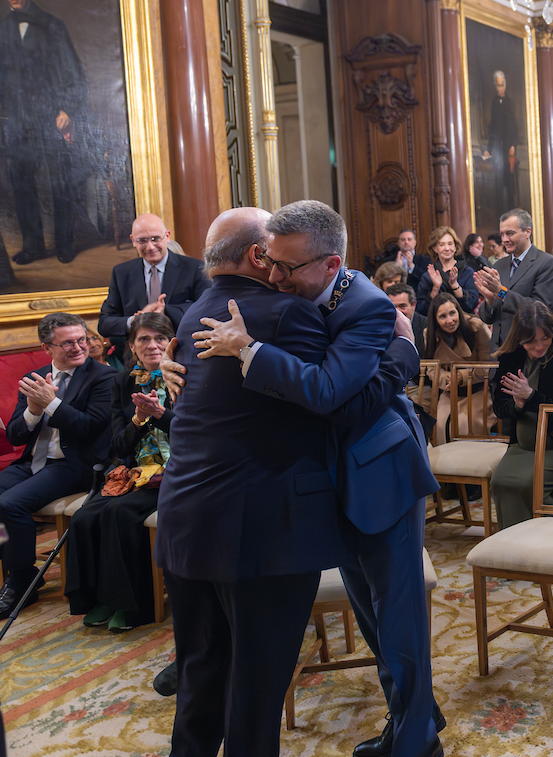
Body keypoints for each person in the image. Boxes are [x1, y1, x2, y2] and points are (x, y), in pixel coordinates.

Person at [184, 200, 442, 757]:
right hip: (330, 479)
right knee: (371, 616)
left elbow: (332, 396)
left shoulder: (368, 306)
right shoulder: (291, 293)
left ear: (330, 265)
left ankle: (418, 743)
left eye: (286, 268)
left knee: (398, 619)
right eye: (270, 262)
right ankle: (410, 720)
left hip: (380, 474)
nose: (273, 277)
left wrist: (248, 351)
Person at [153, 207, 364, 757]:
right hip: (262, 532)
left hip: (184, 522)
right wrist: (399, 345)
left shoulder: (193, 311)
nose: (278, 268)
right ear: (257, 255)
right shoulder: (285, 315)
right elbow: (336, 394)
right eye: (273, 253)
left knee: (200, 676)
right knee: (256, 690)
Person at [0, 311, 115, 617]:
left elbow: (89, 427)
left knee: (9, 505)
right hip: (31, 461)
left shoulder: (103, 377)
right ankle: (17, 567)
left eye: (82, 339)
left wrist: (52, 404)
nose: (78, 347)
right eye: (68, 343)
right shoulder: (36, 378)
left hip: (73, 465)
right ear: (47, 348)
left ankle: (19, 582)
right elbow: (15, 436)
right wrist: (32, 409)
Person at [65, 313, 175, 631]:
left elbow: (198, 434)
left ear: (172, 343)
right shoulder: (123, 381)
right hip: (135, 470)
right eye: (144, 339)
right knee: (84, 517)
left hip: (178, 471)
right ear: (132, 346)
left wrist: (160, 414)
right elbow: (119, 446)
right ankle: (99, 598)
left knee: (119, 512)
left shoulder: (185, 377)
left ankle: (134, 605)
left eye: (160, 338)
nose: (152, 345)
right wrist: (139, 419)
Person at [0, 0, 85, 265]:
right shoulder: (1, 29)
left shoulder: (52, 25)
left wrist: (68, 110)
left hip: (52, 119)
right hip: (18, 122)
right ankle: (33, 245)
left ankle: (64, 243)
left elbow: (74, 74)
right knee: (22, 184)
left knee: (60, 183)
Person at [488, 301, 553, 529]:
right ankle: (513, 545)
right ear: (519, 338)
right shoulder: (510, 358)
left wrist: (530, 397)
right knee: (500, 482)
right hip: (522, 446)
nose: (539, 346)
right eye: (531, 340)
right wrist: (517, 405)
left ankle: (543, 544)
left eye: (545, 338)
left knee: (528, 484)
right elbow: (500, 408)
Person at [98, 214, 211, 340]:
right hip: (137, 354)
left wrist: (165, 311)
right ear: (133, 240)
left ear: (167, 236)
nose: (150, 247)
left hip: (183, 349)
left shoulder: (195, 268)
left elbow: (206, 310)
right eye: (142, 241)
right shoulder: (122, 273)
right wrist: (135, 321)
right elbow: (104, 323)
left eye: (155, 239)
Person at [473, 209, 553, 349]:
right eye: (502, 234)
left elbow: (539, 309)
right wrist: (490, 300)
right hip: (499, 352)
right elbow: (487, 318)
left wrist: (500, 291)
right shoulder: (499, 265)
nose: (504, 240)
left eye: (510, 233)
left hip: (531, 350)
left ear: (527, 232)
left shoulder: (548, 264)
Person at [424, 292, 493, 445]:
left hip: (479, 389)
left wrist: (460, 376)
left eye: (452, 313)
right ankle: (445, 467)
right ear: (435, 320)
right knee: (440, 424)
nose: (450, 320)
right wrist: (446, 379)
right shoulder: (430, 334)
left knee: (464, 422)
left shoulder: (476, 328)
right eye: (442, 317)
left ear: (458, 312)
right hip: (449, 390)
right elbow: (431, 367)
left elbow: (489, 365)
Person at [483, 70, 520, 216]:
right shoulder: (494, 102)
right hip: (497, 149)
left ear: (505, 85)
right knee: (497, 185)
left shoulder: (509, 102)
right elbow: (493, 127)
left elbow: (513, 127)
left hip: (508, 147)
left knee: (509, 185)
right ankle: (500, 217)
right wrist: (489, 149)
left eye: (502, 85)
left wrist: (512, 146)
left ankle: (511, 215)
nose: (500, 88)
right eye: (498, 85)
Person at [416, 226, 478, 315]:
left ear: (455, 247)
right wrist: (436, 288)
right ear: (435, 248)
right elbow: (422, 309)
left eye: (450, 244)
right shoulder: (428, 275)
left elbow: (471, 304)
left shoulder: (468, 272)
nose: (447, 248)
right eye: (442, 245)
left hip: (465, 322)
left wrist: (454, 285)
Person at [388, 282, 428, 354]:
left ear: (413, 305)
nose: (398, 312)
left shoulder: (426, 325)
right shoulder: (382, 326)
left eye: (402, 306)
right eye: (393, 307)